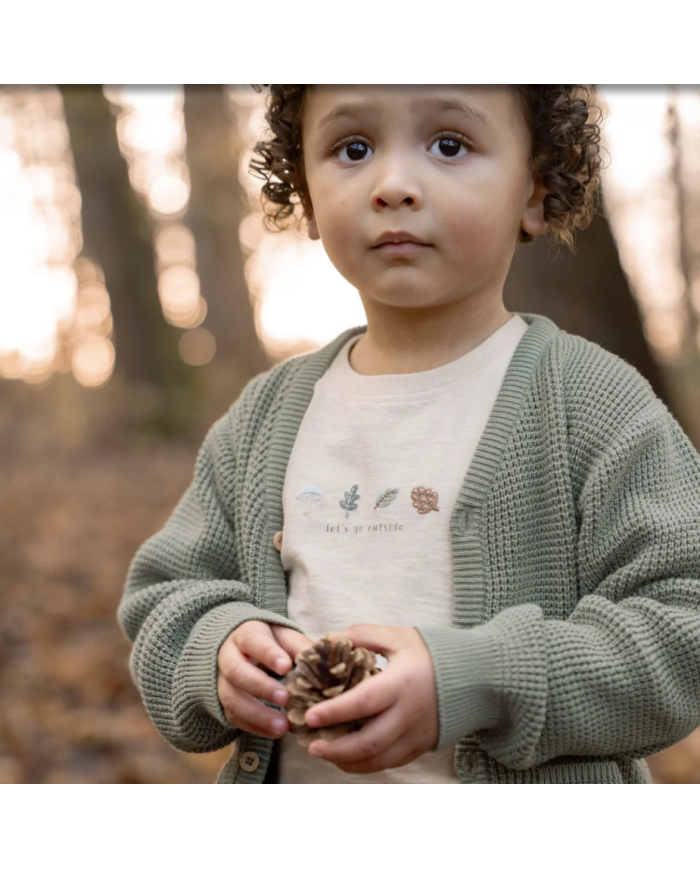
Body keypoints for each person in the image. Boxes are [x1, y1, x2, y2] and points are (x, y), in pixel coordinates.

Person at [117, 85, 700, 784]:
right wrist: (213, 648)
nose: (392, 185)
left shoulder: (595, 404)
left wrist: (480, 679)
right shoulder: (264, 416)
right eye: (353, 148)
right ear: (304, 191)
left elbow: (682, 626)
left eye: (449, 144)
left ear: (536, 188)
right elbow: (165, 596)